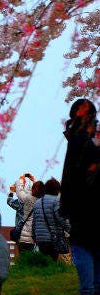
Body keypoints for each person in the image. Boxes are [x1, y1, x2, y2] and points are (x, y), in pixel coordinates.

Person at [60, 98, 100, 295]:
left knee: (82, 245)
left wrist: (66, 206)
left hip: (82, 205)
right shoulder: (95, 137)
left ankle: (87, 289)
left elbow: (69, 175)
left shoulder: (78, 139)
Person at [32, 178, 70, 261]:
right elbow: (61, 218)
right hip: (53, 238)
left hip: (40, 239)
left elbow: (34, 223)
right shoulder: (56, 201)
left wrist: (34, 236)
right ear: (56, 189)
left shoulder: (37, 203)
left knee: (44, 262)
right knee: (53, 261)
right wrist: (70, 229)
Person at [14, 174, 43, 252]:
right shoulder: (43, 201)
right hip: (39, 237)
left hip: (25, 237)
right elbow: (39, 190)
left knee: (24, 260)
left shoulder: (28, 198)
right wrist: (34, 180)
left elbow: (20, 192)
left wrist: (21, 180)